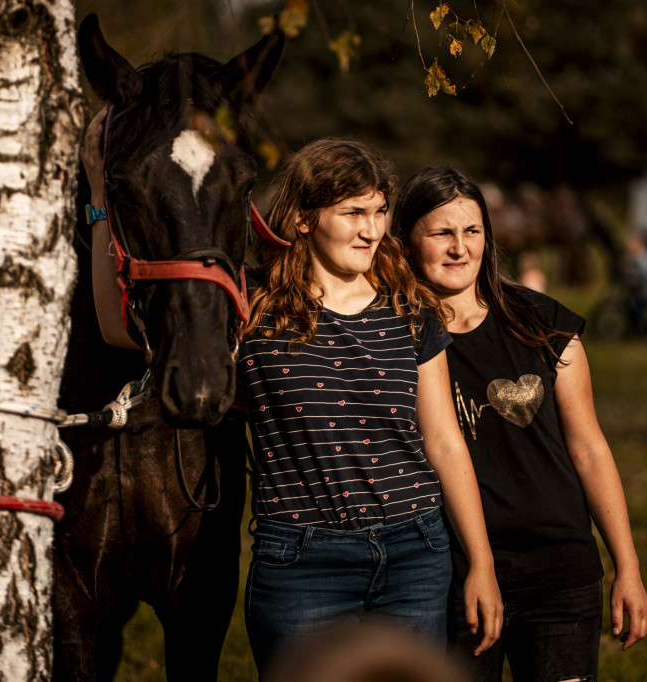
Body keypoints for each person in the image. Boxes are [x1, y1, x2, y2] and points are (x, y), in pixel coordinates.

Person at [239, 141, 501, 678]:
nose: (372, 230)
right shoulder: (252, 307)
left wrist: (481, 563)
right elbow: (121, 325)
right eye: (353, 213)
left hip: (415, 552)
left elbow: (444, 441)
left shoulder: (410, 308)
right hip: (301, 562)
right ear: (304, 219)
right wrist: (99, 203)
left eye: (380, 211)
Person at [394, 166, 647, 682]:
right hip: (451, 576)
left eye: (472, 232)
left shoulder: (542, 322)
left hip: (558, 574)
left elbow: (589, 448)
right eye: (442, 233)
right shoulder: (395, 339)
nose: (459, 248)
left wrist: (629, 566)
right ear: (406, 242)